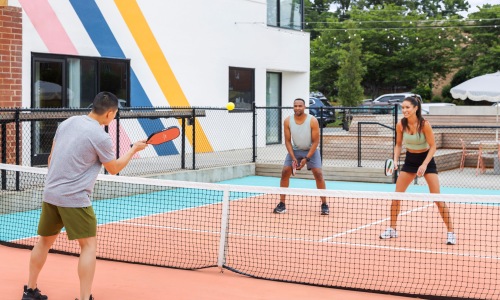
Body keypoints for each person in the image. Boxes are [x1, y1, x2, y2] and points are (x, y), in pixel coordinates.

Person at [22, 92, 148, 300]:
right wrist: (133, 149)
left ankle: (30, 291)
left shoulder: (68, 122)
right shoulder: (101, 137)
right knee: (88, 246)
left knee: (43, 242)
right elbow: (114, 168)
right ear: (109, 113)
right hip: (75, 199)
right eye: (115, 114)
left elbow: (52, 157)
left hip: (51, 193)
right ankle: (84, 297)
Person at [379, 95, 456, 245]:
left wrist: (425, 164)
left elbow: (433, 146)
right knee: (396, 197)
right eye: (403, 107)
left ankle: (451, 232)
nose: (405, 110)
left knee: (437, 199)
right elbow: (399, 144)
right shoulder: (400, 124)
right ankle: (392, 229)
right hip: (410, 160)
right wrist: (395, 160)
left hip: (426, 160)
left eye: (407, 107)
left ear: (415, 108)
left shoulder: (424, 124)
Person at [273, 98, 329, 215]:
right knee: (285, 172)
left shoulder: (312, 121)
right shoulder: (288, 121)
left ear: (304, 107)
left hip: (311, 151)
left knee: (318, 174)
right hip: (295, 150)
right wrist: (293, 157)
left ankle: (324, 204)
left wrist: (306, 159)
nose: (297, 108)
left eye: (300, 106)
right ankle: (282, 204)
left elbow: (315, 142)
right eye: (295, 106)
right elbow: (288, 141)